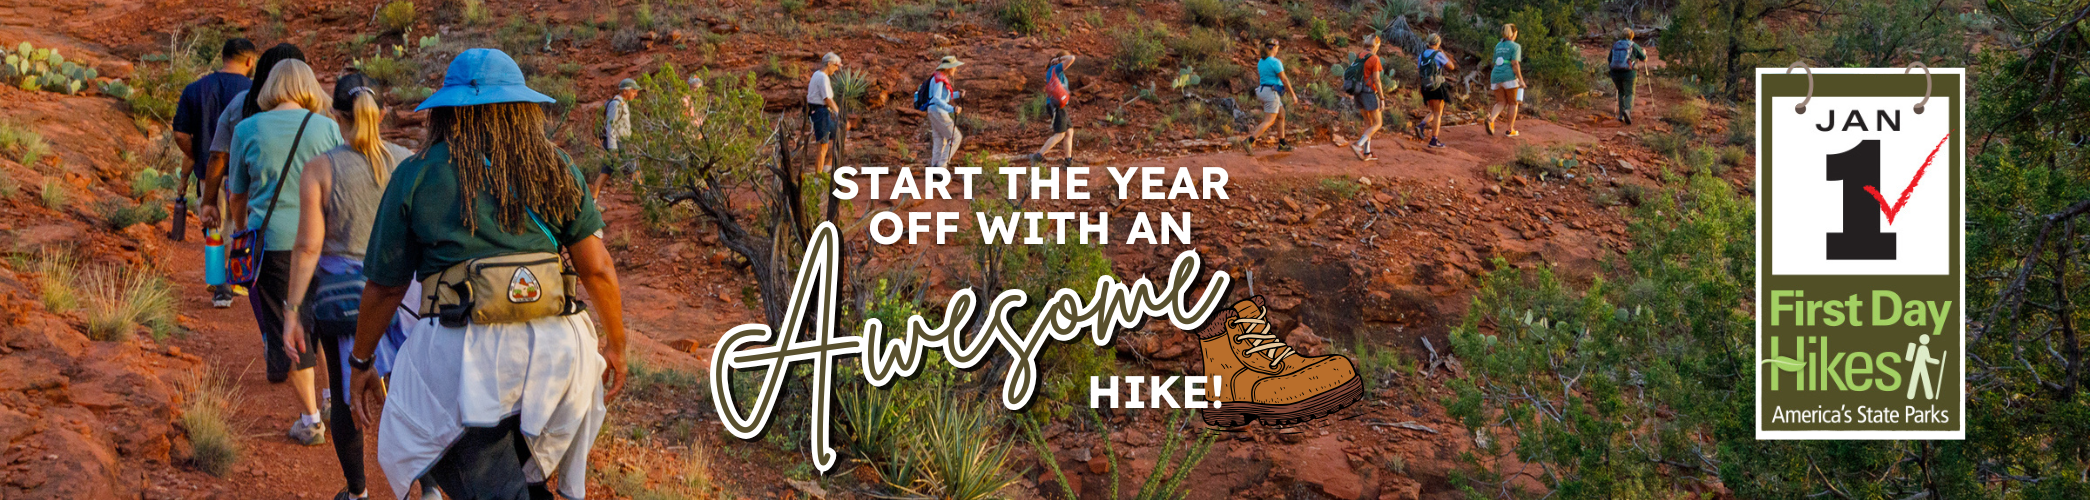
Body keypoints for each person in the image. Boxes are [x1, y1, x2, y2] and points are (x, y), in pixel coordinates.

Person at [349, 48, 626, 500]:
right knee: (522, 477)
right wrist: (615, 344)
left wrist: (361, 362)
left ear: (445, 112)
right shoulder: (555, 166)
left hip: (463, 351)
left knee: (473, 470)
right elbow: (597, 268)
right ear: (522, 108)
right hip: (559, 349)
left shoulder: (417, 175)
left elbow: (386, 287)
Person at [274, 72, 409, 500]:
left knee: (348, 392)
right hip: (406, 296)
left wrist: (293, 310)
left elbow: (309, 245)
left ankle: (358, 491)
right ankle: (431, 489)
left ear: (335, 116)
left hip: (345, 299)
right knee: (414, 394)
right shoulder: (408, 162)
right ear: (383, 113)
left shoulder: (321, 169)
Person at [226, 58, 344, 446]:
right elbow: (341, 183)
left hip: (272, 243)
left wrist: (241, 229)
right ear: (309, 85)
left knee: (287, 328)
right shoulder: (327, 127)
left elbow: (237, 193)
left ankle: (310, 420)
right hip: (323, 242)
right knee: (320, 323)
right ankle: (330, 399)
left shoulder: (246, 129)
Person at [172, 38, 257, 244]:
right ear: (249, 61)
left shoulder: (194, 89)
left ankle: (217, 275)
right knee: (244, 235)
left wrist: (199, 155)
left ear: (223, 58)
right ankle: (240, 275)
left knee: (216, 237)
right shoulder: (257, 93)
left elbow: (180, 134)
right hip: (247, 177)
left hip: (209, 178)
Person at [588, 78, 640, 198]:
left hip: (619, 143)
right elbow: (611, 128)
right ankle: (645, 200)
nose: (635, 94)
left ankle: (593, 201)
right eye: (633, 91)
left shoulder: (623, 104)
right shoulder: (616, 105)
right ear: (625, 91)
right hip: (617, 144)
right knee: (635, 169)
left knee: (606, 172)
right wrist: (613, 150)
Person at [1244, 39, 1297, 154]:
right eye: (1277, 48)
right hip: (1271, 93)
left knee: (1281, 114)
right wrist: (1293, 95)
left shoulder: (1261, 62)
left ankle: (1282, 144)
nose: (1278, 50)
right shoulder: (1275, 62)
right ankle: (1249, 140)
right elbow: (1284, 79)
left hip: (1263, 90)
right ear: (1273, 48)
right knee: (1269, 121)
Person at [1026, 51, 1078, 166]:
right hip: (1057, 106)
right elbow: (1072, 58)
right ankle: (1037, 156)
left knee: (1069, 131)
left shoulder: (1056, 72)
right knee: (1060, 134)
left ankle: (1068, 161)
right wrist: (1061, 58)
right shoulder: (1056, 69)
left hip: (1060, 106)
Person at [1413, 33, 1456, 149]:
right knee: (1438, 113)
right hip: (1437, 86)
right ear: (1437, 43)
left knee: (1433, 110)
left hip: (1425, 86)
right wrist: (1444, 55)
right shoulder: (1438, 54)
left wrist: (1420, 88)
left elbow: (1419, 72)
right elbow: (1451, 67)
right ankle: (1434, 140)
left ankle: (1421, 125)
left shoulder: (1422, 55)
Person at [1348, 35, 1385, 161]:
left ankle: (1366, 152)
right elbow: (1377, 80)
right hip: (1369, 93)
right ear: (1376, 45)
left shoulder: (1359, 56)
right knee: (1378, 123)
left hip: (1358, 92)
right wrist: (1382, 98)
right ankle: (1358, 144)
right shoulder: (1374, 58)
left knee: (1367, 122)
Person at [1484, 24, 1525, 137]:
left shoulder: (1498, 45)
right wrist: (1521, 80)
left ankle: (1491, 119)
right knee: (1513, 102)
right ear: (1514, 33)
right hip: (1509, 76)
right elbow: (1515, 64)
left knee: (1501, 102)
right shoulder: (1515, 46)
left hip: (1496, 75)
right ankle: (1510, 129)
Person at [925, 55, 965, 169]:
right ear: (948, 68)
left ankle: (935, 166)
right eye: (954, 67)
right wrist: (952, 109)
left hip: (932, 111)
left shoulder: (937, 77)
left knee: (939, 139)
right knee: (955, 137)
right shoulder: (939, 79)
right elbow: (937, 98)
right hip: (938, 111)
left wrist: (958, 94)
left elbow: (943, 97)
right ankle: (941, 166)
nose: (955, 69)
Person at [1608, 28, 1649, 124]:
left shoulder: (1616, 45)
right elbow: (1643, 58)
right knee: (1629, 93)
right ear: (1632, 36)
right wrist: (1645, 54)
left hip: (1615, 72)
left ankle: (1621, 115)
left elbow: (1609, 59)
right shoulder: (1633, 45)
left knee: (1621, 92)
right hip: (1629, 73)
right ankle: (1627, 110)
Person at [807, 52, 841, 170]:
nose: (836, 69)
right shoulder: (823, 77)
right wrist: (838, 113)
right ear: (829, 64)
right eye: (836, 66)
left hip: (820, 113)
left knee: (840, 133)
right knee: (822, 147)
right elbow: (827, 99)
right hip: (820, 113)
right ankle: (818, 178)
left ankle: (827, 167)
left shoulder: (817, 74)